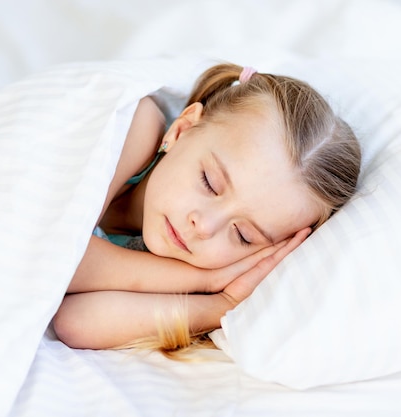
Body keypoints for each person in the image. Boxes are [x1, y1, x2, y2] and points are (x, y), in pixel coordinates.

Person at [52, 62, 361, 353]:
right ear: (181, 130)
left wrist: (222, 303)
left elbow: (76, 322)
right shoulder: (134, 125)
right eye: (209, 182)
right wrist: (203, 281)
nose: (205, 225)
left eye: (243, 235)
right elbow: (58, 256)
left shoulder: (187, 266)